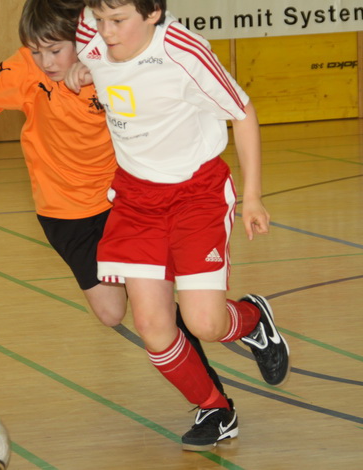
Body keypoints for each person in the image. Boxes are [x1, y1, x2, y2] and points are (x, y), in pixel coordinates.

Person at [0, 0, 232, 435]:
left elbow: (157, 42)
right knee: (111, 313)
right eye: (36, 51)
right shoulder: (24, 70)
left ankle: (212, 401)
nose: (46, 62)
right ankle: (233, 325)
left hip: (123, 201)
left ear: (82, 37)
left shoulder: (111, 59)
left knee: (153, 311)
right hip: (64, 213)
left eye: (56, 50)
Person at [65, 0, 291, 451]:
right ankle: (215, 408)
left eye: (118, 21)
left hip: (196, 195)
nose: (106, 31)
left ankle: (251, 320)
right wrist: (82, 69)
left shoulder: (184, 52)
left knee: (204, 323)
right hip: (136, 199)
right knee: (153, 326)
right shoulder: (89, 32)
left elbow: (242, 112)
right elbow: (92, 51)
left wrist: (252, 196)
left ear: (153, 13)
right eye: (101, 20)